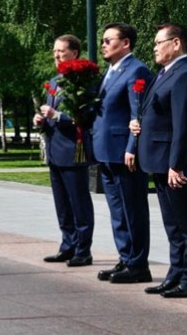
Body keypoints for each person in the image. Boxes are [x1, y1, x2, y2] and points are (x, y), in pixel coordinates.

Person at [131, 23, 187, 298]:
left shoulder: (185, 75)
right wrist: (140, 124)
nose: (154, 47)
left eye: (158, 42)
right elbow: (157, 113)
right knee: (173, 226)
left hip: (177, 165)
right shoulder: (165, 73)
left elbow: (183, 125)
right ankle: (175, 275)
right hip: (161, 162)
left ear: (176, 44)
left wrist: (176, 164)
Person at [91, 23, 153, 284]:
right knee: (117, 211)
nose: (103, 44)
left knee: (133, 211)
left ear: (125, 43)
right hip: (105, 152)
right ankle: (126, 258)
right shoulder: (110, 71)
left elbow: (137, 113)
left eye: (108, 40)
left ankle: (139, 265)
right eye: (102, 40)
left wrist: (132, 147)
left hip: (124, 153)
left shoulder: (136, 69)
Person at [34, 35, 94, 267]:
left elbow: (86, 115)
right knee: (62, 204)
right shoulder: (54, 80)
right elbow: (51, 116)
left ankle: (83, 249)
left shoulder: (82, 80)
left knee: (79, 203)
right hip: (55, 150)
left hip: (73, 151)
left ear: (75, 53)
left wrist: (57, 115)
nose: (57, 55)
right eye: (54, 51)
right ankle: (67, 245)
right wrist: (41, 120)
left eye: (61, 51)